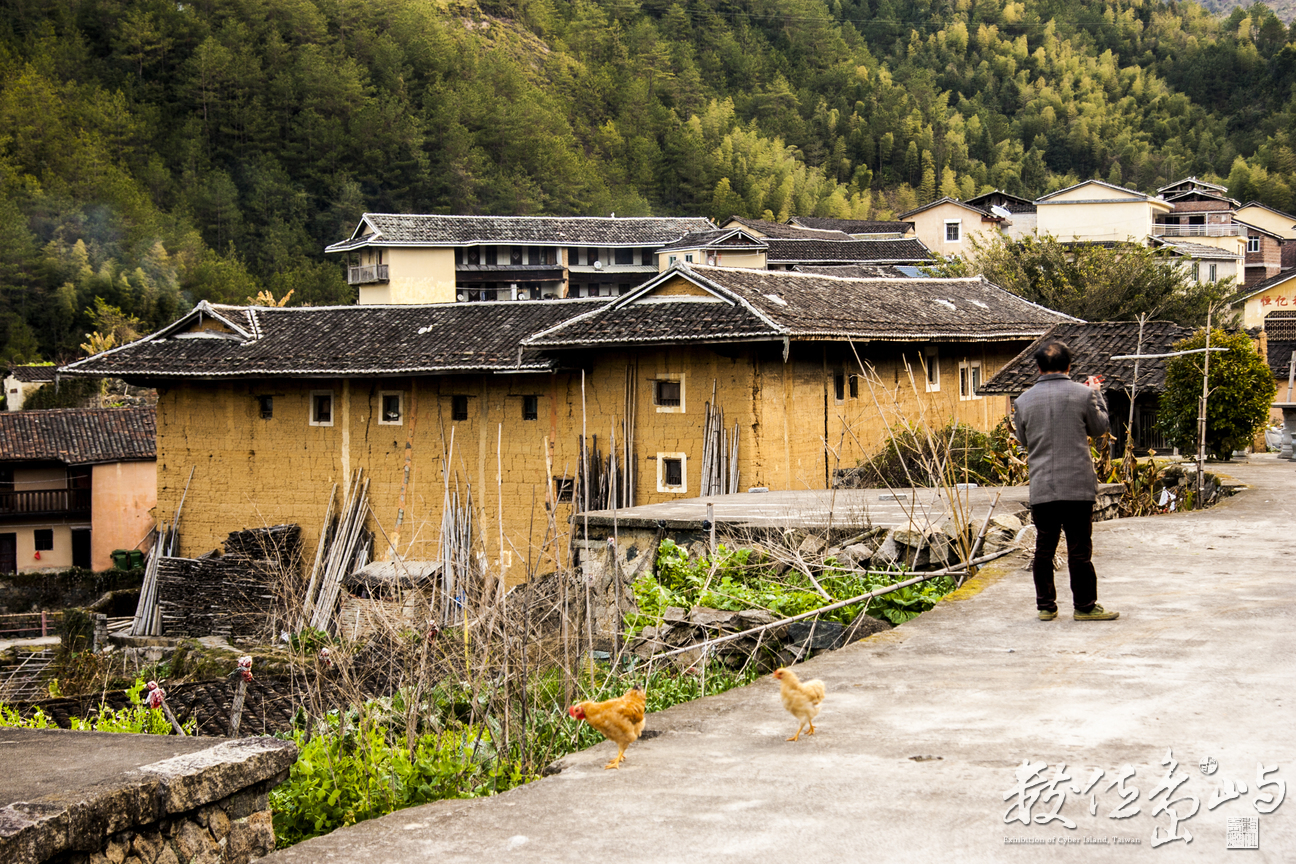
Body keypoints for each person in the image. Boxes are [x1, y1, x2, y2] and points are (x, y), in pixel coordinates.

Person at [1012, 340, 1119, 621]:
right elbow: (1099, 428)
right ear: (1069, 366)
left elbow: (1023, 439)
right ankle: (1084, 606)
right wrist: (1096, 394)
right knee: (1079, 549)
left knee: (1044, 548)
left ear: (1037, 367)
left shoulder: (1022, 402)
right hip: (1077, 486)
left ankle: (1046, 606)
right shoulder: (1083, 395)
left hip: (1043, 486)